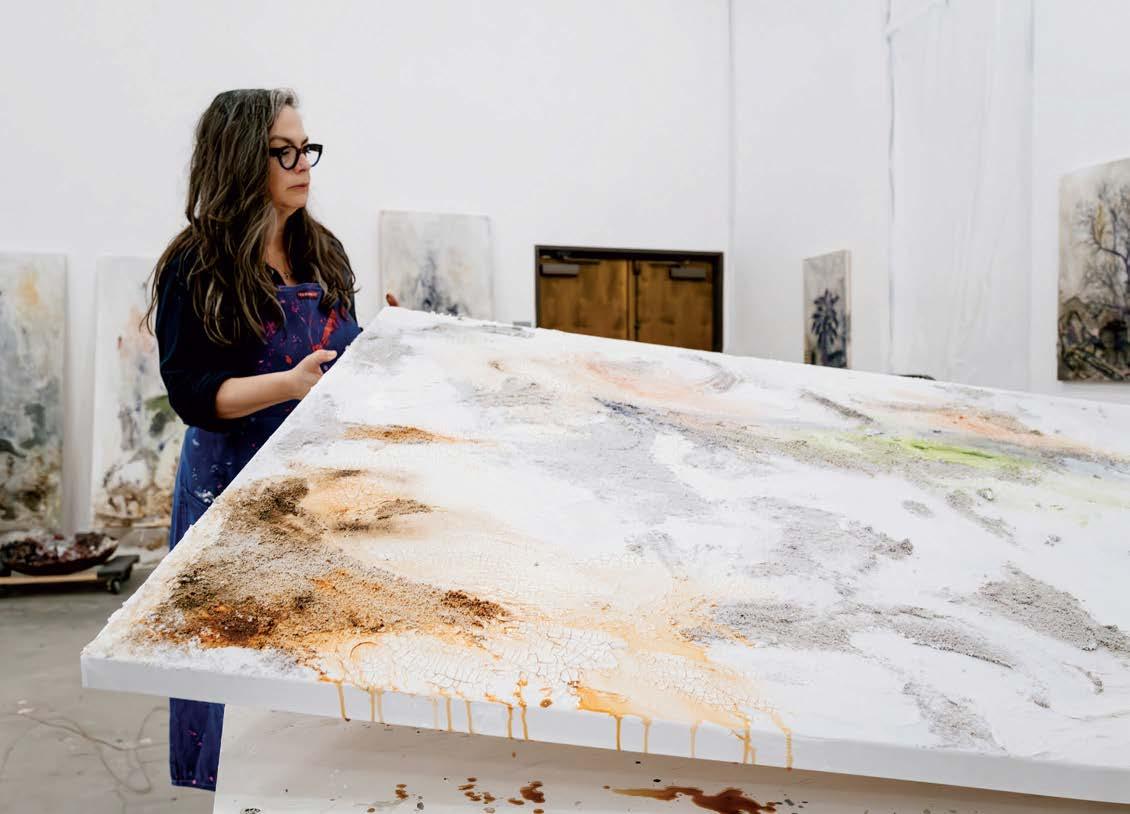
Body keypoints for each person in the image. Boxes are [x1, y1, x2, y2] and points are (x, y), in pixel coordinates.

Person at [145, 88, 365, 791]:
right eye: (283, 153)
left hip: (312, 490)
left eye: (307, 150)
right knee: (234, 655)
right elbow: (191, 393)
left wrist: (385, 345)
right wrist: (287, 385)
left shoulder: (321, 251)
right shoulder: (197, 262)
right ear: (242, 159)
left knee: (309, 658)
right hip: (230, 489)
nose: (303, 166)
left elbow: (340, 354)